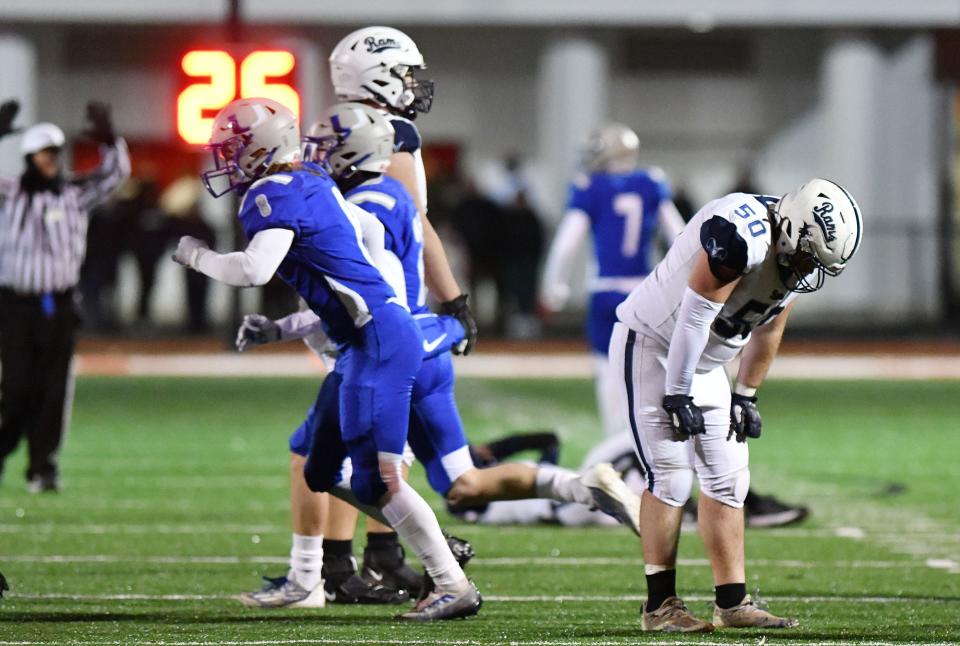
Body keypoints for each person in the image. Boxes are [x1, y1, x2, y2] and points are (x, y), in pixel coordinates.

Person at [236, 103, 640, 603]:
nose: (315, 157)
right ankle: (581, 488)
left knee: (337, 468)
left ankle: (424, 567)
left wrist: (283, 323)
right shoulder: (393, 196)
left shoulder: (357, 208)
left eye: (326, 148)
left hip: (382, 351)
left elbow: (362, 295)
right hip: (424, 345)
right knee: (462, 482)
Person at [172, 97, 479, 621]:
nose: (225, 160)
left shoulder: (272, 193)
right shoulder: (312, 178)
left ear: (260, 148)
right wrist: (288, 325)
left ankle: (452, 582)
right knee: (318, 466)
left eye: (232, 149)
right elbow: (362, 245)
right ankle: (420, 532)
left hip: (375, 344)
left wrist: (195, 255)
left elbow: (254, 270)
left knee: (377, 482)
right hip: (368, 337)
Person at [610, 179, 863, 632]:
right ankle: (659, 606)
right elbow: (694, 315)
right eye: (808, 256)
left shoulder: (793, 251)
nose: (809, 267)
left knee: (729, 476)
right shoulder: (740, 233)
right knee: (670, 476)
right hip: (655, 344)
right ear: (792, 228)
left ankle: (731, 602)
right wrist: (679, 390)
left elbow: (770, 324)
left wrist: (746, 392)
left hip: (706, 362)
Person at [0, 99, 130, 492]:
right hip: (16, 304)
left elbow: (115, 174)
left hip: (58, 305)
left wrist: (110, 139)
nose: (51, 161)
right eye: (43, 154)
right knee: (17, 387)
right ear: (28, 157)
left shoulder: (74, 194)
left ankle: (44, 465)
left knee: (54, 389)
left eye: (54, 153)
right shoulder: (11, 193)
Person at [540, 123, 685, 437]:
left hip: (606, 292)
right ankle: (649, 440)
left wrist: (554, 286)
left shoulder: (590, 187)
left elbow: (566, 244)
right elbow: (681, 236)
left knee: (608, 370)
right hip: (644, 292)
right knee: (649, 370)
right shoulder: (650, 183)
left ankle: (617, 440)